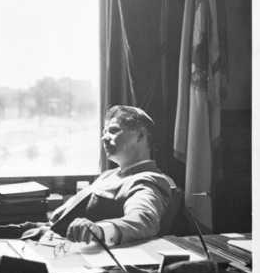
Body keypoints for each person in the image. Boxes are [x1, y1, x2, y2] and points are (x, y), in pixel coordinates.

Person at [21, 105, 176, 247]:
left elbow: (142, 221)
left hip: (66, 248)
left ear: (140, 136)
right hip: (41, 235)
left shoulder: (148, 180)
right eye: (104, 132)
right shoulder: (108, 175)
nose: (104, 137)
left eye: (113, 130)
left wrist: (99, 230)